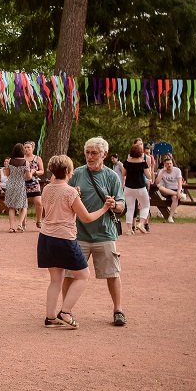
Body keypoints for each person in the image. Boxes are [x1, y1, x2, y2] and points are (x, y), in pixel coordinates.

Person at [39, 155, 115, 329]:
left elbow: (59, 198)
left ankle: (50, 317)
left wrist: (74, 193)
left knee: (55, 280)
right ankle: (65, 312)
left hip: (46, 238)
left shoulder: (47, 189)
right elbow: (86, 217)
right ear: (67, 171)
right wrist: (104, 208)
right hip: (64, 238)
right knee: (83, 275)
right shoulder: (70, 192)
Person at [64, 136, 127, 326]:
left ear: (104, 154)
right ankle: (65, 311)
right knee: (69, 273)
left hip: (104, 233)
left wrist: (114, 204)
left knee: (112, 273)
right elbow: (63, 196)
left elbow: (122, 205)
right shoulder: (76, 174)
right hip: (79, 234)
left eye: (94, 153)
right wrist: (71, 193)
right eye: (87, 153)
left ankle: (118, 310)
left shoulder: (111, 176)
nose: (90, 157)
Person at [121, 144, 152, 234]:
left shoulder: (127, 162)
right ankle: (141, 223)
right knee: (146, 206)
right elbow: (148, 176)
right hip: (140, 187)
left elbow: (123, 174)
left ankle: (129, 229)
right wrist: (148, 167)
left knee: (130, 208)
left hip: (128, 187)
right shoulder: (142, 163)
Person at [3, 143, 32, 232]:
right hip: (20, 184)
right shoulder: (25, 162)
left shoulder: (10, 161)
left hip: (11, 184)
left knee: (12, 207)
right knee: (23, 206)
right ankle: (20, 224)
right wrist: (32, 172)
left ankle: (11, 227)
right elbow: (28, 177)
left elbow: (7, 174)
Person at [155, 155, 184, 223]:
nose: (169, 165)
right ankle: (180, 195)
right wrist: (162, 172)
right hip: (167, 190)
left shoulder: (177, 170)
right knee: (161, 188)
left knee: (175, 198)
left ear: (172, 164)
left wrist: (179, 191)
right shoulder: (162, 171)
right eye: (167, 164)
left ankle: (170, 217)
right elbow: (156, 182)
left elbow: (180, 183)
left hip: (176, 189)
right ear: (165, 164)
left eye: (170, 163)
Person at [24, 140, 44, 228]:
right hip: (23, 183)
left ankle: (39, 221)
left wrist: (35, 172)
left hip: (34, 183)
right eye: (25, 147)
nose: (26, 149)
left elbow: (42, 171)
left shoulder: (37, 158)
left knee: (39, 202)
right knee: (23, 204)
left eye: (28, 147)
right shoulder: (22, 159)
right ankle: (23, 222)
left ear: (33, 148)